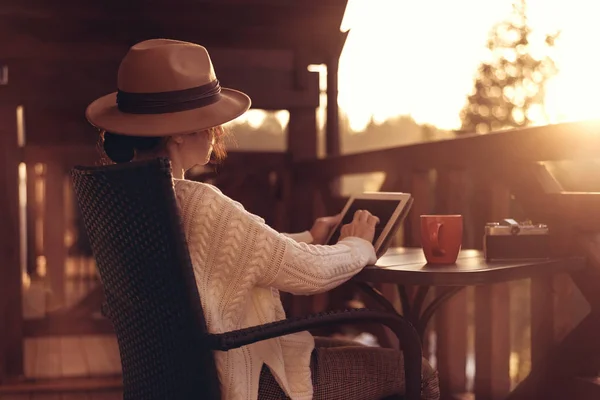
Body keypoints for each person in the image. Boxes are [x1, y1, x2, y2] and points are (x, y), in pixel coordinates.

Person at [86, 39, 439, 400]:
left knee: (341, 348)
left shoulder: (136, 200)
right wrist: (358, 245)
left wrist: (309, 235)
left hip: (179, 376)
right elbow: (309, 272)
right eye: (211, 120)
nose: (218, 130)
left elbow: (220, 255)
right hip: (240, 374)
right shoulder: (199, 202)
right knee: (417, 371)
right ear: (178, 131)